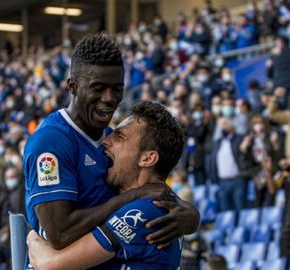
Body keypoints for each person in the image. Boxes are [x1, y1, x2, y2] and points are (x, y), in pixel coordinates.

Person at [23, 34, 199, 251]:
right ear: (73, 86)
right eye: (98, 88)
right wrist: (131, 197)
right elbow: (60, 233)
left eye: (117, 88)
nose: (109, 98)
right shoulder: (52, 141)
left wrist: (190, 214)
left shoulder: (111, 140)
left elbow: (155, 190)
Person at [27, 101, 185, 269]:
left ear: (147, 158)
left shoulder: (143, 210)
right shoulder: (164, 203)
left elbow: (49, 265)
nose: (106, 140)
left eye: (119, 136)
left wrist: (32, 237)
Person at [210, 117, 247, 211]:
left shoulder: (239, 139)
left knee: (240, 208)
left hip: (237, 180)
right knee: (225, 210)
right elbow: (213, 161)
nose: (222, 128)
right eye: (220, 126)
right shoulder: (218, 142)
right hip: (223, 181)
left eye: (224, 124)